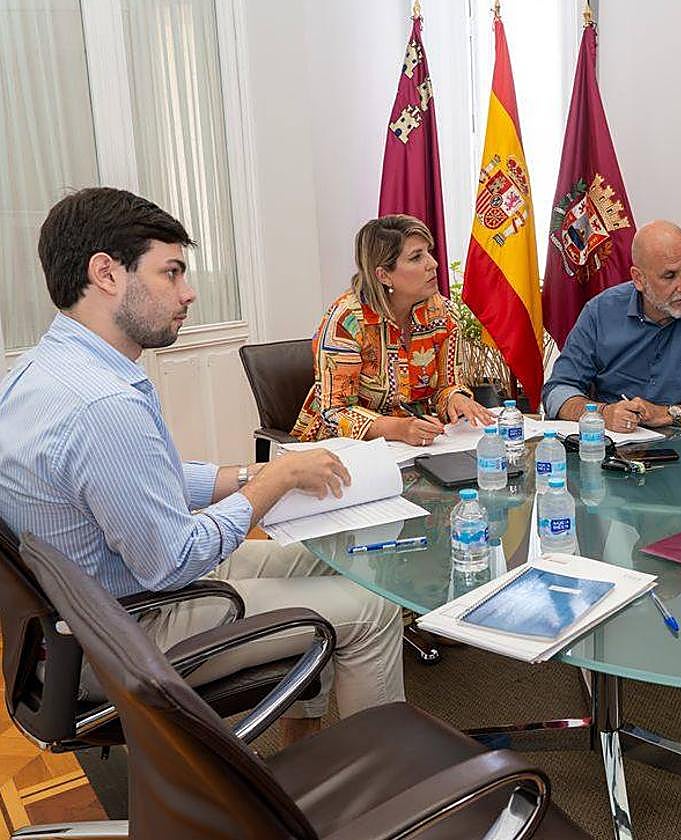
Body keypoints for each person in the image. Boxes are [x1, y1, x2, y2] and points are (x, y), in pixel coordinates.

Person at [0, 188, 405, 745]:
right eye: (171, 273)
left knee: (323, 556)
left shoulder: (43, 370)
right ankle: (376, 791)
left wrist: (243, 477)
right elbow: (175, 558)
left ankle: (302, 750)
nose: (188, 293)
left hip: (86, 616)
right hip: (132, 630)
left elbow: (142, 479)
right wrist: (273, 481)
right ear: (106, 274)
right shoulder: (103, 405)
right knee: (374, 611)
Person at [291, 214, 493, 446]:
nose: (433, 263)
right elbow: (335, 412)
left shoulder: (443, 314)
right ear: (384, 275)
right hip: (340, 450)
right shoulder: (347, 321)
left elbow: (446, 386)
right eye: (417, 257)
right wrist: (399, 429)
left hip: (414, 445)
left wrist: (455, 398)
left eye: (428, 252)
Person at [542, 219, 681, 432]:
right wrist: (602, 414)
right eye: (670, 276)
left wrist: (668, 414)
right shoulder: (601, 311)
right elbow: (556, 391)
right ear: (639, 279)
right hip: (614, 449)